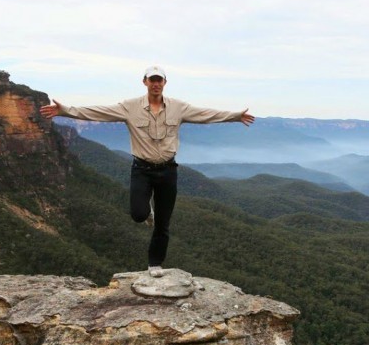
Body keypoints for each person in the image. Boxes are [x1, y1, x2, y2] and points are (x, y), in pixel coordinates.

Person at [40, 65, 255, 277]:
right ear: (145, 82)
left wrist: (236, 116)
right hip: (142, 169)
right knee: (138, 214)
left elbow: (206, 114)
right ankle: (147, 212)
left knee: (163, 222)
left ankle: (155, 263)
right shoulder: (130, 107)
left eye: (159, 80)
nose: (156, 84)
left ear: (165, 83)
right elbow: (99, 112)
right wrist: (65, 110)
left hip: (168, 170)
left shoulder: (178, 107)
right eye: (152, 80)